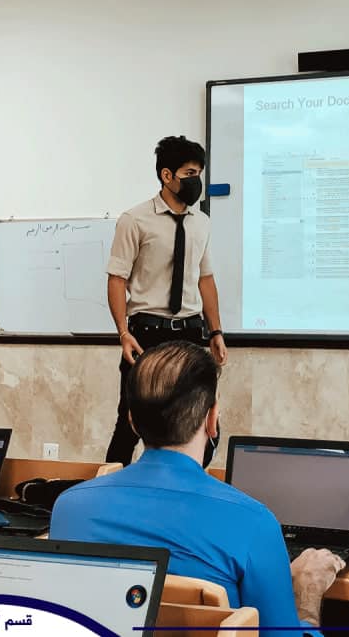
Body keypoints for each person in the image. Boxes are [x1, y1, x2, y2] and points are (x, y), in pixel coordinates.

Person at [52, 341, 344, 631]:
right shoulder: (254, 523)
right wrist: (306, 595)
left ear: (132, 421)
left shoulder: (68, 509)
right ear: (212, 419)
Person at [105, 135, 228, 467]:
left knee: (200, 423)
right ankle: (113, 489)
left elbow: (205, 278)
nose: (195, 180)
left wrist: (216, 331)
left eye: (198, 173)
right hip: (146, 332)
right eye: (189, 173)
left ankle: (183, 487)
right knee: (130, 422)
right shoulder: (134, 220)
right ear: (167, 175)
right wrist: (122, 332)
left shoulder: (202, 223)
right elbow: (116, 279)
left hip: (189, 332)